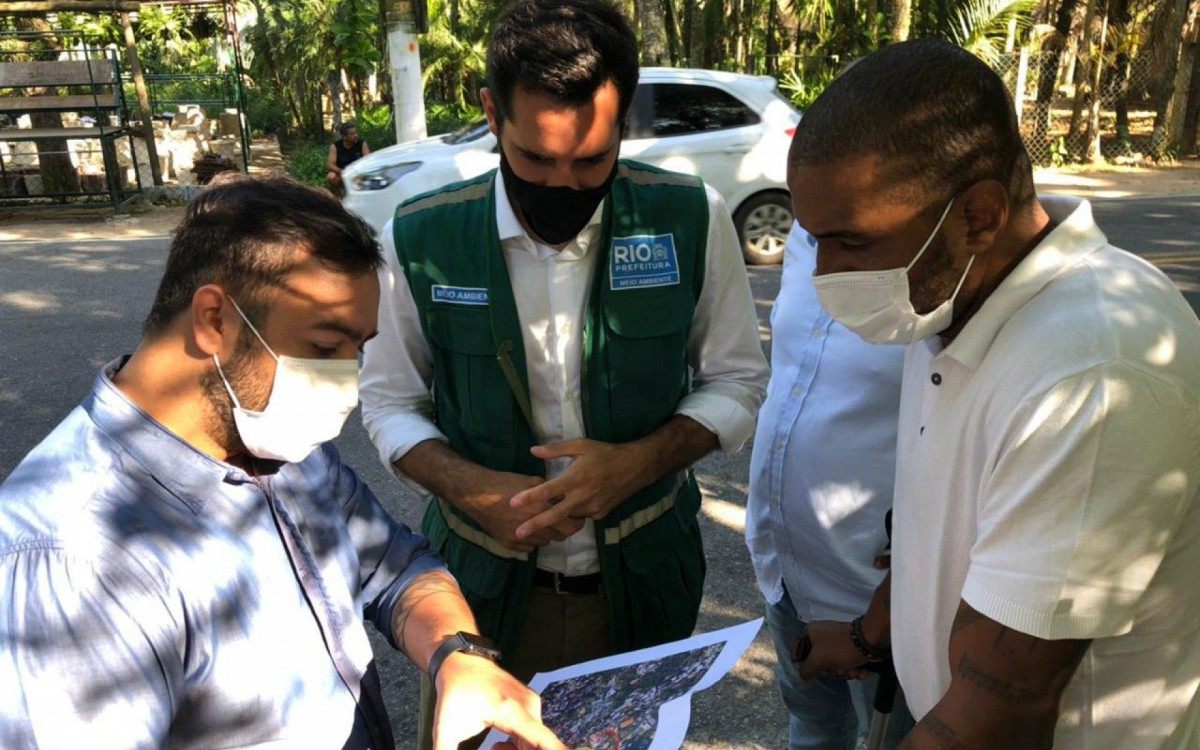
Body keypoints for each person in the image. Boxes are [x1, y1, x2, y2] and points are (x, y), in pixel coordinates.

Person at [0, 177, 564, 750]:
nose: (348, 382)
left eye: (360, 350)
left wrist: (458, 655)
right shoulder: (74, 563)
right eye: (325, 348)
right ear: (214, 319)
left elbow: (394, 565)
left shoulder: (276, 443)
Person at [360, 0, 768, 745]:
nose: (566, 186)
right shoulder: (421, 237)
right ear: (491, 113)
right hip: (483, 590)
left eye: (592, 160)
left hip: (643, 584)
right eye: (536, 160)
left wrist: (637, 465)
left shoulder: (687, 217)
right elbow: (389, 402)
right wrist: (472, 489)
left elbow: (737, 379)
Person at [791, 39, 1200, 748]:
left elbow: (996, 721)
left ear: (978, 215)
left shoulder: (1089, 372)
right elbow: (946, 523)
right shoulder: (955, 302)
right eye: (813, 242)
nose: (825, 275)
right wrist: (872, 632)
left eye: (851, 242)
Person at [746, 220, 914, 749]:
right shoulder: (805, 231)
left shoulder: (941, 254)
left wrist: (881, 619)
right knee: (814, 728)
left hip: (876, 591)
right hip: (788, 569)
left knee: (891, 737)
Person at [328, 121, 370, 196]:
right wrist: (343, 171)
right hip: (342, 173)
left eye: (355, 133)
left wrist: (358, 172)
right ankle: (338, 200)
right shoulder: (335, 146)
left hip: (359, 173)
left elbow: (369, 161)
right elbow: (330, 165)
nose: (355, 135)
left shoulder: (362, 144)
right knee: (331, 176)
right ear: (344, 136)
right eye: (352, 134)